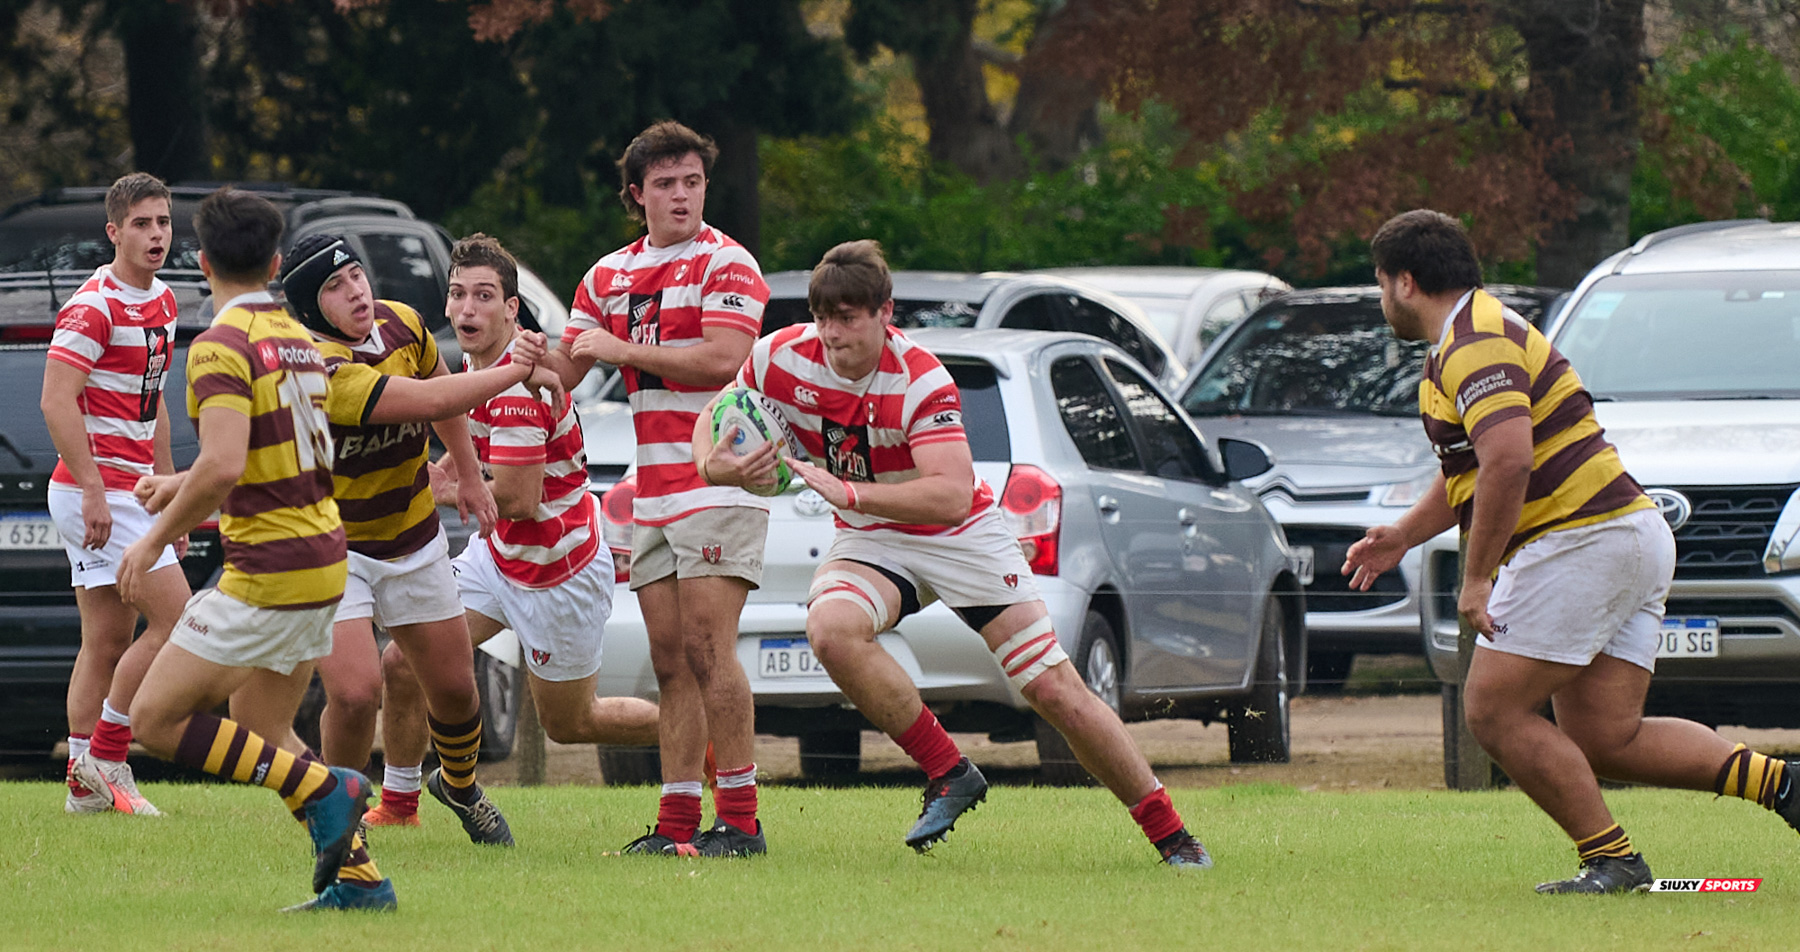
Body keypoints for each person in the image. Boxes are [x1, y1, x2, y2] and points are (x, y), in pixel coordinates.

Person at [698, 239, 1212, 868]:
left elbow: (946, 495)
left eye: (849, 318)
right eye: (824, 316)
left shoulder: (921, 379)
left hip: (959, 536)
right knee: (831, 631)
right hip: (871, 535)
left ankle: (1172, 834)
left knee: (1053, 690)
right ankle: (949, 772)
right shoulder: (781, 355)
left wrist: (850, 489)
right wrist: (713, 462)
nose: (832, 333)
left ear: (885, 314)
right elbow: (723, 410)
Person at [1344, 209, 1800, 894]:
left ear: (1405, 282)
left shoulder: (1476, 345)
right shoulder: (1469, 339)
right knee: (1606, 735)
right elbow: (1471, 469)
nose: (1381, 300)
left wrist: (1475, 581)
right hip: (1623, 532)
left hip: (1582, 538)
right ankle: (1786, 787)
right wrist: (1404, 534)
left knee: (1492, 710)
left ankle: (1611, 859)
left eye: (1380, 284)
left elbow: (1507, 462)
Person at [106, 186, 393, 912]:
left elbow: (228, 462)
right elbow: (262, 452)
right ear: (273, 261)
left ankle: (330, 786)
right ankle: (361, 883)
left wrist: (152, 541)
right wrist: (179, 486)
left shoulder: (220, 344)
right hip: (325, 555)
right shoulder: (299, 337)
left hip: (271, 568)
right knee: (266, 729)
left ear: (200, 261)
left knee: (152, 721)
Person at [227, 234, 556, 845]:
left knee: (458, 693)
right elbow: (429, 396)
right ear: (307, 305)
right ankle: (339, 823)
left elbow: (442, 409)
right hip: (334, 547)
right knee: (355, 693)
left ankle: (458, 787)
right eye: (333, 286)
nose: (355, 290)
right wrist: (516, 366)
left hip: (412, 535)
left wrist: (466, 475)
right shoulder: (317, 363)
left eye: (355, 274)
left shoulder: (402, 323)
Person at [377, 234, 659, 822]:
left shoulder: (519, 387)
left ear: (511, 310)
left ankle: (696, 732)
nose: (468, 309)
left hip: (558, 570)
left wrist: (439, 487)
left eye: (485, 296)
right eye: (458, 295)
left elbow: (518, 497)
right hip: (497, 556)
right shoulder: (475, 368)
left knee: (570, 722)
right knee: (403, 662)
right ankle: (400, 803)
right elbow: (469, 456)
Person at [552, 121, 771, 856]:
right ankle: (677, 826)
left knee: (712, 653)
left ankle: (740, 821)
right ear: (635, 195)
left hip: (718, 477)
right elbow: (561, 372)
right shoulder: (607, 274)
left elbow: (721, 358)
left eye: (692, 182)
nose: (681, 195)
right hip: (652, 489)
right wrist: (501, 353)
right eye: (666, 184)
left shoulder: (728, 263)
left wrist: (620, 348)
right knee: (671, 660)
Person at [43, 172, 193, 816]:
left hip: (135, 491)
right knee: (179, 618)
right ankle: (108, 759)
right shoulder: (93, 305)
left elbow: (151, 403)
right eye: (141, 224)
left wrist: (167, 495)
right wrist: (97, 492)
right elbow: (55, 400)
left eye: (162, 222)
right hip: (92, 491)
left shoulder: (163, 299)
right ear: (114, 232)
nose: (156, 234)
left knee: (107, 639)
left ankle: (83, 784)